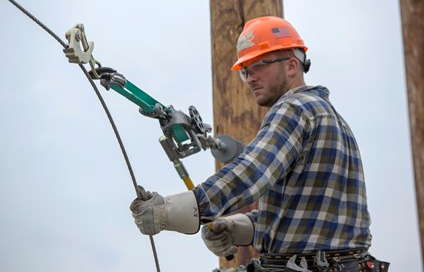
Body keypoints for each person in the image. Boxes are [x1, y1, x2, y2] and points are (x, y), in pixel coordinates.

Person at [130, 16, 389, 271]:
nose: (251, 77)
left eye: (259, 66)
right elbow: (308, 217)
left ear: (291, 66)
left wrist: (175, 209)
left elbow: (251, 172)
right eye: (246, 71)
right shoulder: (333, 119)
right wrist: (240, 227)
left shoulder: (293, 109)